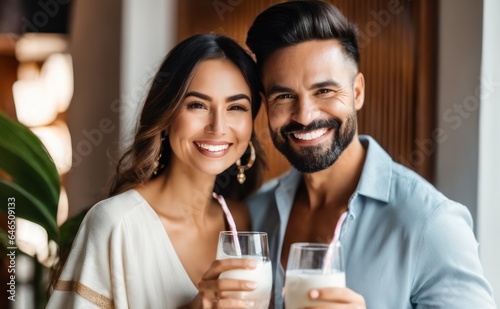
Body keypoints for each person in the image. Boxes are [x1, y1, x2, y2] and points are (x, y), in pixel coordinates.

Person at [244, 1, 497, 308]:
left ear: (358, 92)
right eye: (284, 96)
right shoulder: (256, 212)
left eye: (324, 91)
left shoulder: (431, 223)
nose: (305, 116)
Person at [47, 33, 268, 308]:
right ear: (166, 115)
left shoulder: (241, 222)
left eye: (236, 107)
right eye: (197, 105)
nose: (218, 126)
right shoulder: (117, 223)